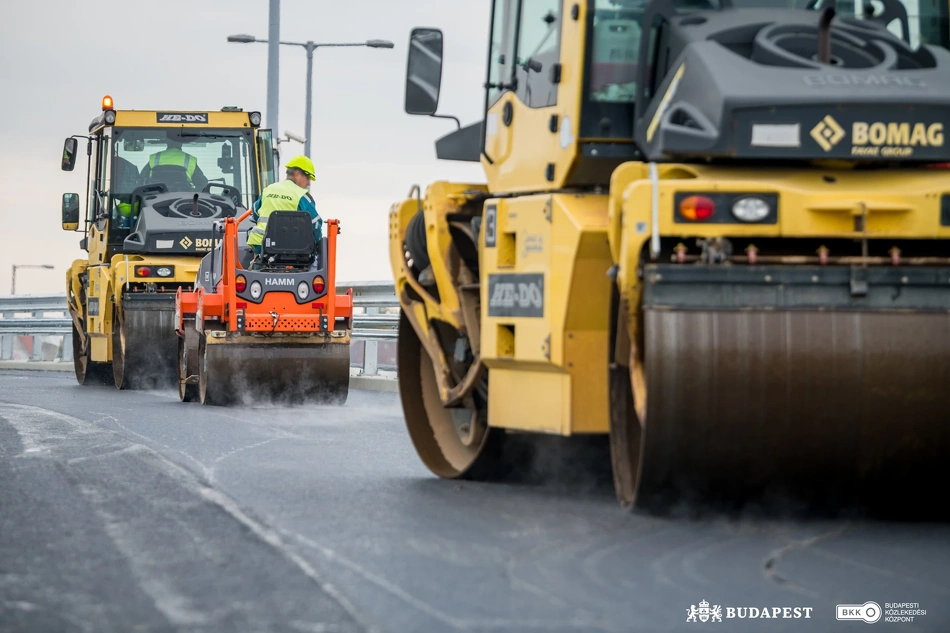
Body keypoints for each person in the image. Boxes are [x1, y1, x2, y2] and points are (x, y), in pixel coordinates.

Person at [246, 155, 323, 262]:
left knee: (256, 268)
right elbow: (315, 224)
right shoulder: (302, 196)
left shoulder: (268, 189)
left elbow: (254, 213)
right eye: (308, 178)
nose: (309, 183)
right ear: (297, 174)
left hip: (260, 244)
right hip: (290, 250)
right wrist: (317, 245)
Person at [139, 138, 208, 192]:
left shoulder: (155, 158)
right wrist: (191, 194)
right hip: (184, 201)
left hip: (155, 199)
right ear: (181, 143)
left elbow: (141, 180)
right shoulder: (189, 159)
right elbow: (202, 184)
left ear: (167, 143)